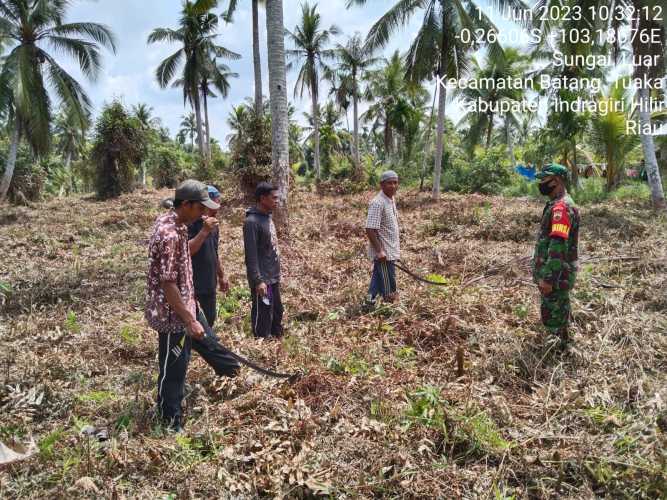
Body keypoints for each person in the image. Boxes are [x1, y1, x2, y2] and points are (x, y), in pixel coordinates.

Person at [145, 179, 239, 432]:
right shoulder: (169, 233)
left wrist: (192, 304)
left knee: (209, 341)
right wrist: (189, 319)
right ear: (186, 205)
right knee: (174, 369)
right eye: (199, 208)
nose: (203, 213)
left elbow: (182, 259)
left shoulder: (178, 224)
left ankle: (234, 373)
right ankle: (169, 422)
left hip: (187, 303)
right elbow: (167, 284)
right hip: (172, 315)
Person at [531, 164, 580, 349]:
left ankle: (557, 353)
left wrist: (549, 278)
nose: (541, 184)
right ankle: (562, 345)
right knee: (558, 310)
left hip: (557, 276)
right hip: (559, 273)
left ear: (557, 181)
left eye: (545, 180)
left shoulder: (561, 208)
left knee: (554, 315)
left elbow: (558, 246)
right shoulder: (557, 204)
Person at [243, 182, 283, 338]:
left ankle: (276, 341)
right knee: (263, 313)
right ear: (262, 198)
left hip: (273, 275)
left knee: (277, 310)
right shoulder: (251, 222)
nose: (277, 201)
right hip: (263, 279)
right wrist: (258, 280)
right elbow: (251, 255)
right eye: (274, 198)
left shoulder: (267, 217)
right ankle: (261, 343)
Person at [187, 185, 230, 327]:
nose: (219, 205)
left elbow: (214, 252)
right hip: (193, 285)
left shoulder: (214, 226)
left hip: (209, 284)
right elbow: (186, 251)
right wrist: (204, 231)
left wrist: (221, 275)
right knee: (194, 325)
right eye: (216, 201)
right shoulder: (190, 224)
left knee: (209, 321)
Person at [365, 170, 401, 308]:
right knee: (388, 284)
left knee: (378, 278)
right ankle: (388, 307)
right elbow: (369, 229)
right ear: (381, 185)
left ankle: (369, 303)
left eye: (395, 183)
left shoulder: (391, 200)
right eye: (389, 183)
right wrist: (380, 251)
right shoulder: (378, 203)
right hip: (384, 252)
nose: (393, 186)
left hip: (390, 250)